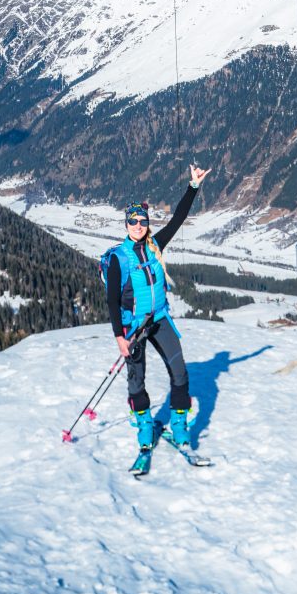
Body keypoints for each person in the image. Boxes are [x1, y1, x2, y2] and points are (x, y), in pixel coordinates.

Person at [105, 164, 210, 450]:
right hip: (133, 325)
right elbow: (112, 301)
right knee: (136, 380)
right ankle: (144, 426)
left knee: (180, 373)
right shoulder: (119, 259)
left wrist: (193, 186)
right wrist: (119, 336)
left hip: (160, 319)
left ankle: (178, 424)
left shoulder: (155, 246)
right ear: (126, 225)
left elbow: (177, 219)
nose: (138, 226)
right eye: (133, 222)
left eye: (142, 221)